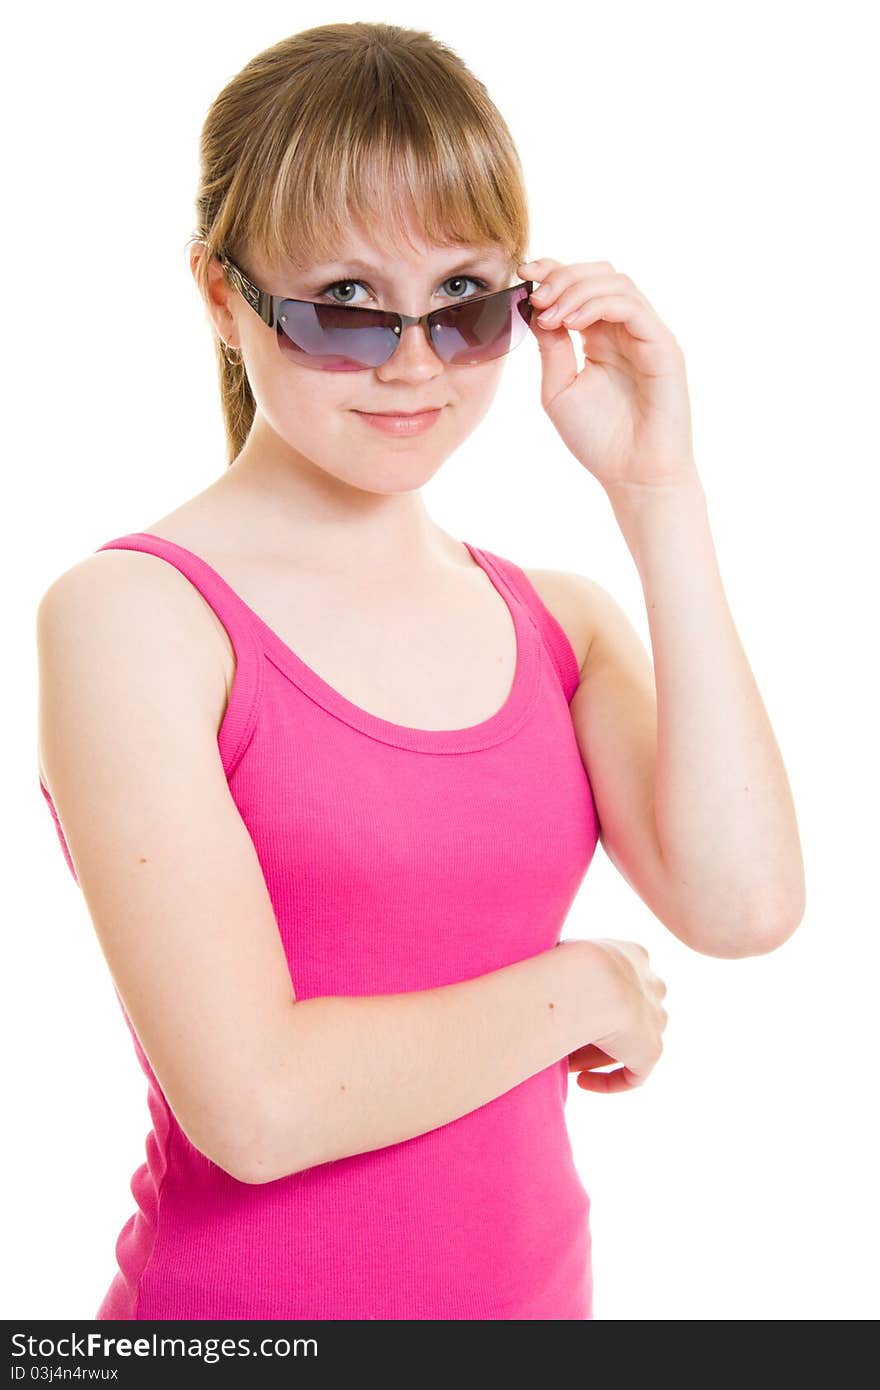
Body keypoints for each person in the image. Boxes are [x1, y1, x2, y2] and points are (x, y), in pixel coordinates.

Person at [35, 22, 805, 1322]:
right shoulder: (133, 616)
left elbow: (746, 902)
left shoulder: (561, 621)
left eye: (463, 303)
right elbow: (259, 1105)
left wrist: (657, 489)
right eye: (343, 305)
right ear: (222, 297)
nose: (410, 364)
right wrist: (587, 985)